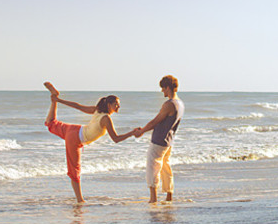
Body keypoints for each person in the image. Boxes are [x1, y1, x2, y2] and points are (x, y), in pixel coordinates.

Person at [44, 82, 138, 203]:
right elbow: (116, 139)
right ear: (109, 104)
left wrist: (58, 100)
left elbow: (78, 106)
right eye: (116, 105)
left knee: (51, 123)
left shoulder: (97, 110)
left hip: (74, 130)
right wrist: (132, 133)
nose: (118, 107)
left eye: (118, 105)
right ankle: (80, 200)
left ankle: (54, 100)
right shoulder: (106, 119)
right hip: (75, 138)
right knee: (74, 170)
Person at [134, 75, 185, 203]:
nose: (162, 91)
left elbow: (155, 121)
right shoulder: (180, 103)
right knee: (165, 167)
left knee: (153, 168)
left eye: (163, 88)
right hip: (169, 141)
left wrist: (142, 131)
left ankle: (153, 198)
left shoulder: (169, 104)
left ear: (168, 87)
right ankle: (169, 195)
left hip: (158, 141)